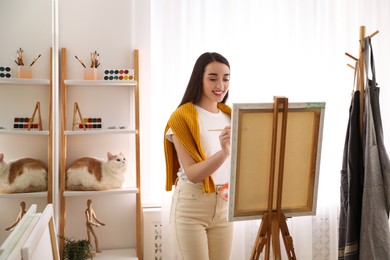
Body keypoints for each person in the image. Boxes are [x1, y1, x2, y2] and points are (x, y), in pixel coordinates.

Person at [164, 52, 233, 260]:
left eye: (226, 78)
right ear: (199, 79)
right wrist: (224, 153)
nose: (220, 84)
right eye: (212, 78)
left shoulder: (231, 115)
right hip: (191, 205)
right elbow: (193, 173)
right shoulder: (182, 117)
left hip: (224, 204)